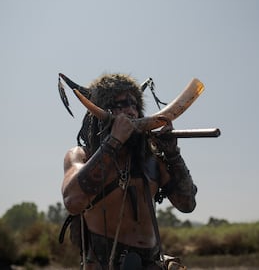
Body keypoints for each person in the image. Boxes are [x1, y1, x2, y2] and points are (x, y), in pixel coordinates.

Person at [61, 73, 197, 269]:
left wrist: (173, 154)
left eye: (135, 105)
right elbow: (73, 201)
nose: (132, 111)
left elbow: (187, 204)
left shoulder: (152, 161)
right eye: (122, 104)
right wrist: (114, 141)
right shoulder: (81, 156)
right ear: (102, 112)